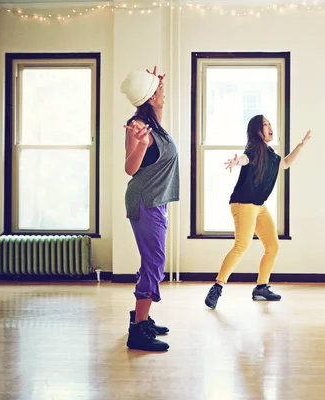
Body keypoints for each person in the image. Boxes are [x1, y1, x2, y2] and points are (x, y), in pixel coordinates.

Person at [204, 115, 311, 309]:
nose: (270, 126)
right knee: (241, 246)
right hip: (243, 203)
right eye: (265, 124)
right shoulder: (254, 149)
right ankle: (217, 287)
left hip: (258, 205)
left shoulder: (270, 154)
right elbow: (245, 158)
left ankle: (261, 287)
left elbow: (285, 164)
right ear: (257, 131)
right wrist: (237, 162)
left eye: (270, 123)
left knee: (273, 245)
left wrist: (300, 146)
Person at [120, 66, 180, 350]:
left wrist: (157, 83)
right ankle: (139, 331)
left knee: (151, 260)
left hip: (156, 200)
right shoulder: (137, 126)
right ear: (148, 99)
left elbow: (158, 120)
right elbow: (130, 168)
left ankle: (142, 317)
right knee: (154, 262)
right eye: (160, 93)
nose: (164, 96)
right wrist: (141, 144)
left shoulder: (155, 123)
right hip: (145, 200)